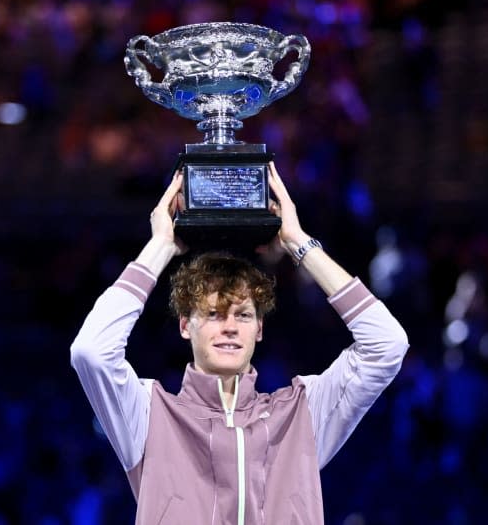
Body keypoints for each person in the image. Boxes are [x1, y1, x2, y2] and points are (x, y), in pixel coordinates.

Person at [70, 163, 409, 524]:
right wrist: (160, 247)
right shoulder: (149, 416)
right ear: (186, 325)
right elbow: (91, 350)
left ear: (259, 329)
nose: (230, 327)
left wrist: (299, 243)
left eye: (243, 315)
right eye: (214, 314)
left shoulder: (300, 415)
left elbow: (387, 344)